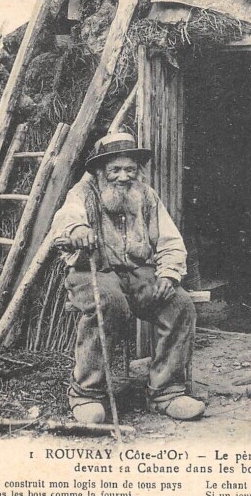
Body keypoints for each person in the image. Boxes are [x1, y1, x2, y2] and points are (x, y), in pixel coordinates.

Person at [52, 131, 205, 424]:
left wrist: (169, 275)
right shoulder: (83, 193)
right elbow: (66, 218)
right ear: (101, 171)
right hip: (91, 271)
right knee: (108, 301)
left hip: (137, 274)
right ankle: (86, 393)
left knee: (179, 304)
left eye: (130, 170)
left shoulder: (146, 196)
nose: (123, 177)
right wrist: (77, 231)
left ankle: (166, 393)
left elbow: (170, 241)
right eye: (116, 170)